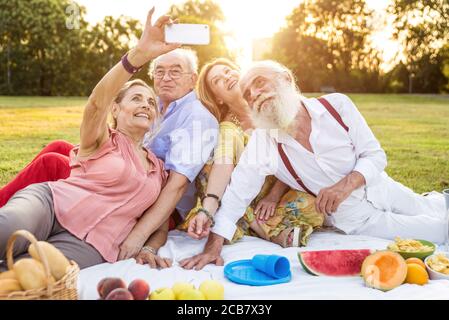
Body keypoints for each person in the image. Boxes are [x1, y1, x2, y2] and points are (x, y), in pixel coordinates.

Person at [180, 60, 447, 270]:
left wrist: (344, 185)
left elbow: (375, 156)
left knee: (429, 205)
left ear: (285, 78)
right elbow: (238, 195)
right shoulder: (264, 141)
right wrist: (212, 248)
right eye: (248, 94)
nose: (255, 95)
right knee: (438, 230)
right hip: (359, 220)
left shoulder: (337, 106)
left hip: (383, 187)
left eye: (260, 83)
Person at [0, 8, 178, 270]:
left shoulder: (159, 169)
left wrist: (149, 247)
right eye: (136, 98)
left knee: (25, 278)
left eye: (151, 102)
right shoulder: (104, 139)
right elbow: (96, 104)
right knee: (5, 229)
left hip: (92, 245)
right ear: (115, 110)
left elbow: (160, 224)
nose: (146, 105)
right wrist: (137, 57)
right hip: (51, 205)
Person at [176, 58, 323, 258]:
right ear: (218, 98)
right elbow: (224, 166)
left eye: (228, 71)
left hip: (275, 192)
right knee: (214, 178)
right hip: (241, 195)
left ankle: (255, 224)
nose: (226, 77)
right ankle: (264, 229)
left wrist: (273, 196)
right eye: (217, 80)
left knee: (314, 201)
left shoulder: (275, 105)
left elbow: (292, 155)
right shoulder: (228, 129)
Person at [117, 49, 219, 265]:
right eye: (160, 71)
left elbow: (177, 186)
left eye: (175, 71)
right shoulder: (152, 103)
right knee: (60, 150)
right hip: (127, 179)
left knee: (53, 161)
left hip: (161, 207)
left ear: (192, 79)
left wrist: (140, 236)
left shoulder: (197, 117)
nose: (165, 77)